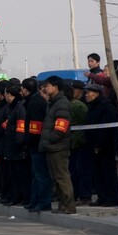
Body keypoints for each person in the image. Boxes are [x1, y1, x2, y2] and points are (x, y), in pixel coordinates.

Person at [40, 76, 75, 215]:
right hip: (52, 146)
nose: (45, 88)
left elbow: (61, 127)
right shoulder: (53, 103)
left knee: (62, 177)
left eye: (48, 85)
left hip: (58, 147)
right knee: (56, 178)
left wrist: (49, 140)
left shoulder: (61, 103)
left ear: (56, 87)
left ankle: (69, 205)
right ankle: (62, 205)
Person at [84, 84, 118, 207]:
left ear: (97, 94)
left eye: (89, 93)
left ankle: (112, 198)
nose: (87, 95)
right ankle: (102, 197)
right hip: (92, 145)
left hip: (105, 147)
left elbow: (106, 129)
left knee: (108, 172)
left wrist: (99, 145)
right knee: (97, 173)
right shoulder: (92, 107)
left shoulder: (106, 107)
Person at [22, 78, 51, 212]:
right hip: (35, 145)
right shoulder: (33, 101)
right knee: (35, 175)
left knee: (41, 175)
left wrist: (29, 142)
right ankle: (34, 200)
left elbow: (35, 128)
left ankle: (43, 202)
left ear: (26, 89)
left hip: (38, 145)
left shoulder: (35, 103)